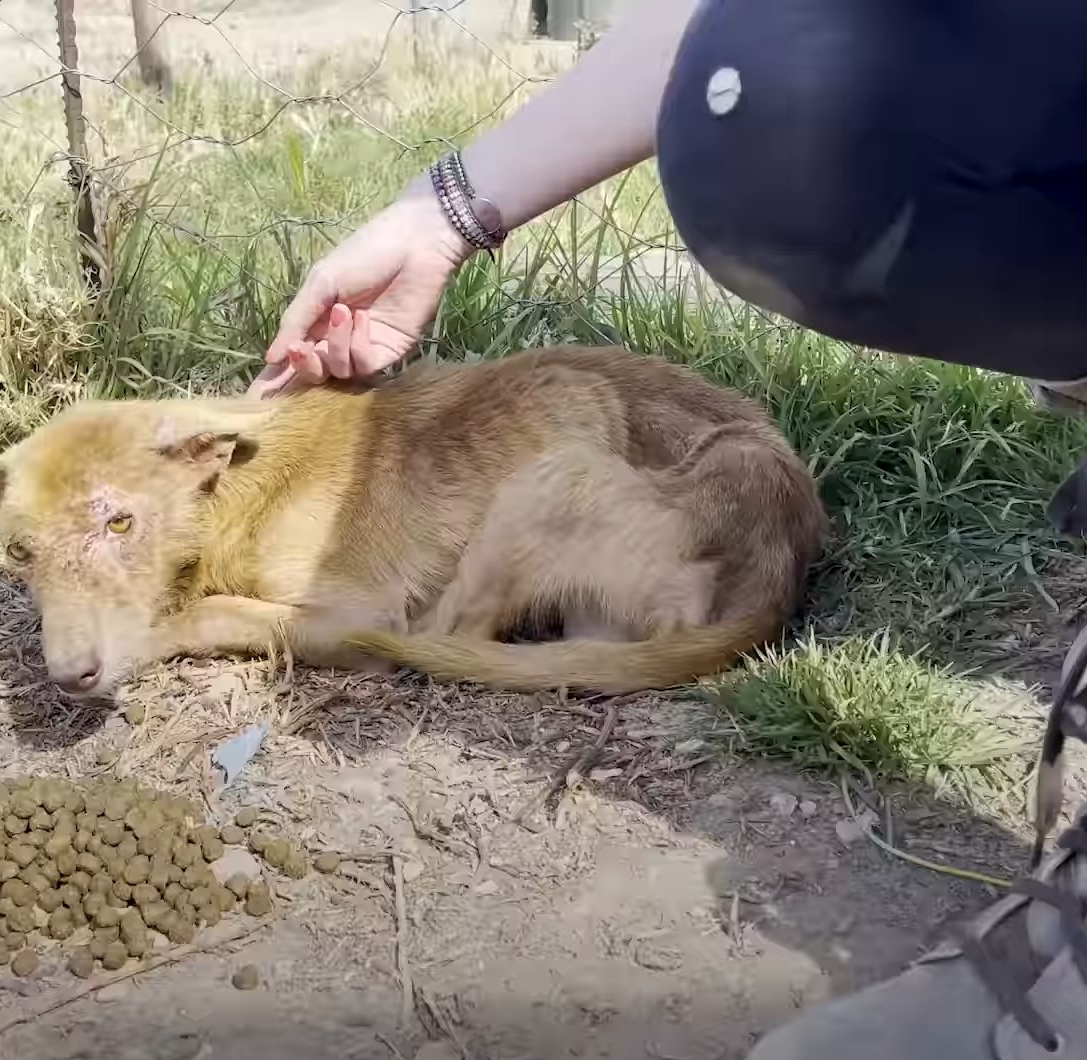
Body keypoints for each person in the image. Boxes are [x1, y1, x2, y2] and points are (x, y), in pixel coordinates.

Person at [244, 1, 1087, 1058]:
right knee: (765, 82)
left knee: (789, 94)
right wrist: (436, 215)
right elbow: (717, 21)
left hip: (675, 555)